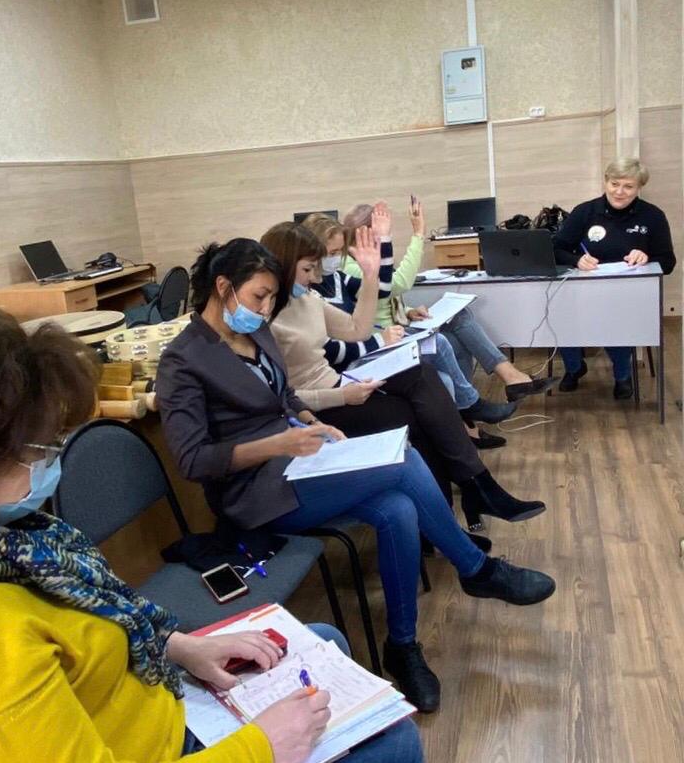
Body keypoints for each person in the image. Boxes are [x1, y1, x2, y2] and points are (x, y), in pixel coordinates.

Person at [0, 306, 422, 763]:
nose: (53, 462)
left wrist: (179, 647)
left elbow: (81, 627)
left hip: (142, 717)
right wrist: (262, 747)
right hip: (153, 742)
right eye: (39, 448)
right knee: (393, 740)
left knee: (314, 644)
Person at [157, 239, 555, 713]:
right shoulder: (183, 360)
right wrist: (278, 444)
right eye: (259, 296)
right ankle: (477, 569)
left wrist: (309, 421)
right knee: (402, 460)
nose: (265, 310)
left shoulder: (256, 332)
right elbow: (193, 460)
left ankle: (402, 646)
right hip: (254, 493)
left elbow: (282, 396)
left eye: (270, 298)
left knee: (398, 509)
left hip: (301, 461)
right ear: (223, 288)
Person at [260, 222, 545, 532]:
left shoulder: (306, 299)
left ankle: (466, 497)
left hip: (341, 386)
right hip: (321, 408)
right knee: (417, 413)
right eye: (308, 269)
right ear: (284, 264)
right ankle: (466, 501)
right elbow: (282, 397)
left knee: (421, 375)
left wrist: (371, 276)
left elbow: (358, 329)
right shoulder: (264, 320)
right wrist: (341, 395)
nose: (316, 278)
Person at [302, 209, 516, 434]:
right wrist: (379, 341)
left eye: (340, 251)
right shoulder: (318, 288)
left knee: (451, 346)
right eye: (332, 252)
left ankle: (468, 420)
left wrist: (384, 244)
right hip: (356, 360)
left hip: (375, 342)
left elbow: (383, 290)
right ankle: (472, 408)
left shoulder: (336, 277)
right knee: (441, 346)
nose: (337, 257)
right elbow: (396, 286)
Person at [341, 199, 556, 403]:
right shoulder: (350, 266)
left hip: (398, 326)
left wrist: (408, 310)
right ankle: (481, 398)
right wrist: (418, 234)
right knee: (452, 340)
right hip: (385, 340)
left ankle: (484, 396)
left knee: (459, 320)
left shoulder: (367, 257)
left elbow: (382, 300)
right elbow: (398, 284)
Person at [553, 157, 677, 399]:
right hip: (584, 290)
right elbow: (556, 249)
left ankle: (622, 375)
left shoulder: (653, 216)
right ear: (606, 181)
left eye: (628, 186)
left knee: (614, 317)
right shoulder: (585, 212)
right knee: (559, 313)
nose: (619, 192)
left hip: (628, 294)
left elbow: (668, 262)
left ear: (639, 187)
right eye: (614, 184)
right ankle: (574, 368)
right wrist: (576, 260)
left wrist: (647, 257)